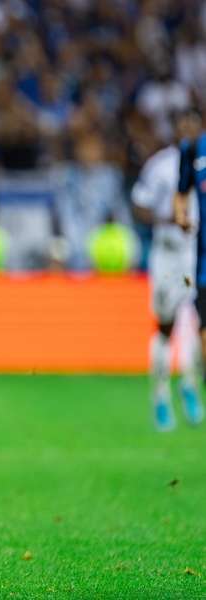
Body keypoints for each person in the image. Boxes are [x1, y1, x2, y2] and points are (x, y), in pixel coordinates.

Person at [132, 108, 203, 431]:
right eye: (183, 125)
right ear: (175, 130)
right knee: (165, 325)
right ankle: (160, 397)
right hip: (166, 252)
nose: (189, 130)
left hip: (194, 253)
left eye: (194, 125)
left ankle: (189, 387)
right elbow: (140, 204)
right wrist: (167, 218)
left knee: (193, 320)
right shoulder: (161, 165)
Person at [174, 112, 206, 428]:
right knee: (184, 323)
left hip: (191, 257)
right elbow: (178, 196)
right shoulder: (191, 154)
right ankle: (189, 383)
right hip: (184, 257)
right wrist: (179, 215)